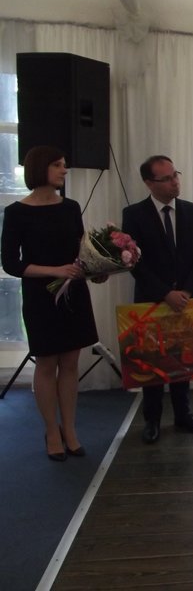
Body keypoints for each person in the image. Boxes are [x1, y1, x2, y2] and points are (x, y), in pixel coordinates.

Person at [1, 146, 103, 461]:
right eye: (58, 165)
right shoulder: (16, 212)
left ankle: (69, 429)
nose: (64, 170)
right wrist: (55, 270)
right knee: (46, 364)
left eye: (64, 164)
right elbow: (11, 264)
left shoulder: (70, 207)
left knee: (70, 363)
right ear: (40, 168)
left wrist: (98, 268)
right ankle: (51, 431)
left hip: (74, 294)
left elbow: (81, 250)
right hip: (40, 296)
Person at [122, 155, 193, 444]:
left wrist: (185, 291)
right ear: (149, 183)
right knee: (153, 361)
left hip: (186, 298)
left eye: (176, 175)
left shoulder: (192, 211)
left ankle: (184, 415)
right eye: (167, 178)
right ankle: (152, 419)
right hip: (151, 299)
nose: (175, 182)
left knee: (183, 359)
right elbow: (134, 262)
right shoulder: (134, 215)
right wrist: (165, 293)